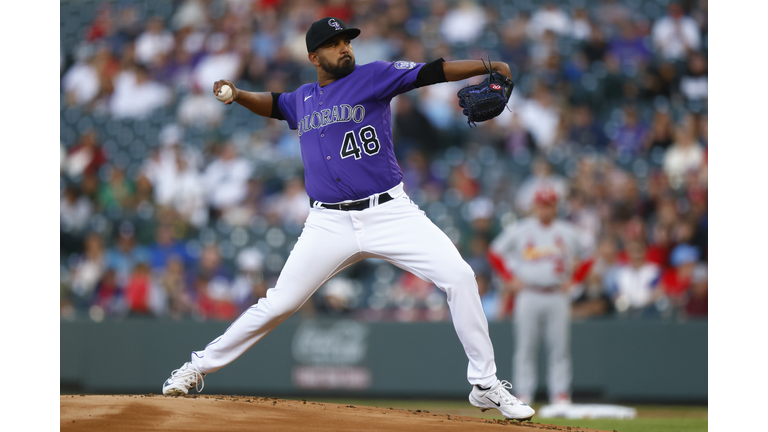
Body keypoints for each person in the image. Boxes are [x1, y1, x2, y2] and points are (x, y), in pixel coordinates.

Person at [161, 16, 534, 421]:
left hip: (390, 212)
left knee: (460, 277)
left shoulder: (373, 77)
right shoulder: (301, 99)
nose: (345, 48)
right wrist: (236, 94)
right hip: (328, 224)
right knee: (278, 303)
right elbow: (272, 103)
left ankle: (485, 384)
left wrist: (487, 66)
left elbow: (432, 71)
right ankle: (196, 366)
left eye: (347, 42)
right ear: (313, 56)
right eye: (335, 44)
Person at [487, 187, 593, 406]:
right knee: (526, 346)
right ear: (535, 206)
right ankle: (524, 393)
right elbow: (494, 252)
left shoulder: (567, 231)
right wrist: (509, 278)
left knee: (560, 347)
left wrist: (575, 281)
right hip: (528, 293)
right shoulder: (521, 229)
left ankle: (561, 393)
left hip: (556, 294)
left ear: (556, 206)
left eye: (550, 204)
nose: (545, 209)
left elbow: (588, 256)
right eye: (542, 204)